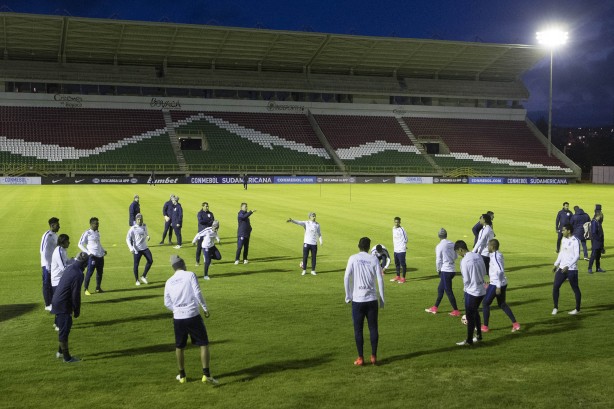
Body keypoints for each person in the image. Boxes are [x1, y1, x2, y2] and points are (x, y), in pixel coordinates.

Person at [164, 255, 218, 385]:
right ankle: (206, 375)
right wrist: (204, 308)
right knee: (203, 344)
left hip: (178, 318)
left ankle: (182, 376)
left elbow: (167, 303)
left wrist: (177, 310)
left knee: (180, 346)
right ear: (182, 263)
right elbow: (197, 292)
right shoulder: (190, 275)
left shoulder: (169, 281)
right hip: (193, 315)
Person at [344, 237, 385, 366]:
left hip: (358, 300)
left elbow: (346, 277)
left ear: (358, 246)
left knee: (358, 330)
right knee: (373, 328)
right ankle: (373, 356)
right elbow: (380, 279)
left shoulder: (353, 258)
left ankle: (361, 358)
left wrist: (348, 295)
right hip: (372, 299)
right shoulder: (373, 259)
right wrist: (382, 298)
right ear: (369, 247)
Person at [51, 252, 89, 363]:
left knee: (65, 327)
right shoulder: (78, 274)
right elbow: (75, 294)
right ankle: (67, 358)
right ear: (84, 264)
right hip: (63, 303)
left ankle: (60, 352)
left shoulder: (70, 267)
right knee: (64, 329)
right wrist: (77, 309)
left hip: (57, 300)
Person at [481, 239, 520, 333]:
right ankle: (515, 324)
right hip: (501, 282)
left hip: (496, 284)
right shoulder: (498, 254)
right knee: (502, 304)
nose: (488, 247)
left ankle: (485, 327)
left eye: (489, 246)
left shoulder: (494, 256)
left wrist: (497, 286)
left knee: (485, 303)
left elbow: (500, 270)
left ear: (493, 247)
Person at [454, 240, 486, 346]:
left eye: (458, 252)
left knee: (470, 315)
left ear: (461, 249)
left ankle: (469, 340)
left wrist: (466, 289)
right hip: (481, 290)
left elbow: (466, 279)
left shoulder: (464, 261)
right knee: (475, 311)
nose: (458, 255)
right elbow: (484, 271)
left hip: (472, 291)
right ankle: (479, 335)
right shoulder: (478, 256)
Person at [425, 228, 460, 316]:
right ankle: (435, 307)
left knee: (448, 290)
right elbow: (456, 256)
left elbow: (438, 260)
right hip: (452, 270)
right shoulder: (452, 243)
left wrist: (438, 270)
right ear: (446, 235)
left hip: (445, 270)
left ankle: (456, 310)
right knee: (440, 288)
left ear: (438, 236)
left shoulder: (439, 246)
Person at [552, 224, 581, 315]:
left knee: (575, 288)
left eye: (563, 230)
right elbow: (561, 252)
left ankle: (577, 309)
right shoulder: (563, 239)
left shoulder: (575, 241)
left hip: (571, 269)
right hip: (561, 268)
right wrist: (556, 264)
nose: (562, 231)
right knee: (555, 287)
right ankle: (555, 307)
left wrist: (568, 266)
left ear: (569, 231)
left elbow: (577, 256)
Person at [78, 217, 107, 295]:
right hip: (92, 256)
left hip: (100, 256)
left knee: (100, 273)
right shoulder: (87, 233)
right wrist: (88, 252)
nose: (98, 225)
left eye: (98, 224)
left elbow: (98, 244)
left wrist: (103, 250)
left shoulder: (97, 232)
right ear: (91, 224)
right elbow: (80, 244)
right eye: (96, 224)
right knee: (89, 273)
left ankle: (98, 288)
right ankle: (86, 289)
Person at [126, 213, 153, 286]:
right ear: (136, 220)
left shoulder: (144, 225)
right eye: (138, 219)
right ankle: (137, 280)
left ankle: (143, 276)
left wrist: (147, 236)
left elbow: (145, 231)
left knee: (150, 261)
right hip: (137, 249)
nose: (139, 220)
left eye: (140, 219)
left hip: (144, 248)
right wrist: (131, 248)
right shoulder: (133, 228)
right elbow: (127, 238)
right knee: (136, 265)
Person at [50, 234, 70, 332]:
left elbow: (66, 262)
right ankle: (59, 325)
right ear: (63, 242)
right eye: (67, 241)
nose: (69, 243)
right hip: (58, 281)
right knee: (61, 303)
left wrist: (74, 261)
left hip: (59, 280)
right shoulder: (59, 252)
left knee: (60, 303)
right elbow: (63, 268)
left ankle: (56, 322)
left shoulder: (62, 250)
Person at [40, 217, 60, 310]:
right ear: (52, 225)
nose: (59, 226)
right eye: (57, 224)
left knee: (52, 283)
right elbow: (42, 250)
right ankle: (47, 304)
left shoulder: (55, 235)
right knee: (46, 283)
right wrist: (47, 265)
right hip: (47, 265)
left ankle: (52, 302)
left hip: (53, 264)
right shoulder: (47, 235)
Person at [195, 202, 215, 267]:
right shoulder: (199, 213)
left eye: (207, 206)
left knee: (208, 247)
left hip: (208, 233)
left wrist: (207, 221)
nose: (207, 207)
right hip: (201, 233)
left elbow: (213, 221)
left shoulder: (210, 213)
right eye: (206, 206)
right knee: (199, 248)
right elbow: (201, 221)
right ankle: (197, 261)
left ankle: (208, 261)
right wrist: (208, 221)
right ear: (203, 206)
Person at [390, 216, 408, 283]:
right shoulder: (393, 228)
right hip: (396, 249)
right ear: (394, 222)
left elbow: (406, 239)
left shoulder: (402, 229)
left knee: (403, 264)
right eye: (395, 222)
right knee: (397, 264)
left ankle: (403, 278)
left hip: (401, 249)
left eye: (398, 222)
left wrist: (403, 246)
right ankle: (398, 276)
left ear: (400, 222)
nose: (396, 223)